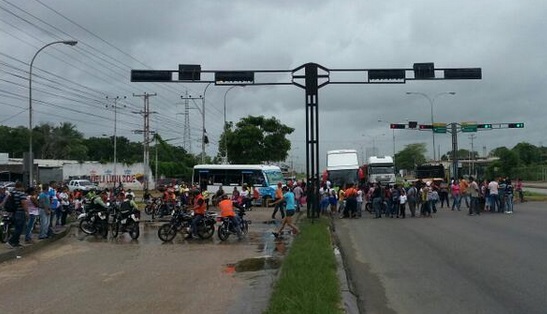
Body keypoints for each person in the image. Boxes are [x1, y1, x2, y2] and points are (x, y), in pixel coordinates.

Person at [6, 182, 28, 249]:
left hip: (14, 212)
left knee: (17, 227)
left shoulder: (12, 193)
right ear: (21, 186)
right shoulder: (21, 194)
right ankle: (11, 241)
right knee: (19, 228)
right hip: (20, 212)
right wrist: (27, 212)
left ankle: (16, 242)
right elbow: (24, 204)